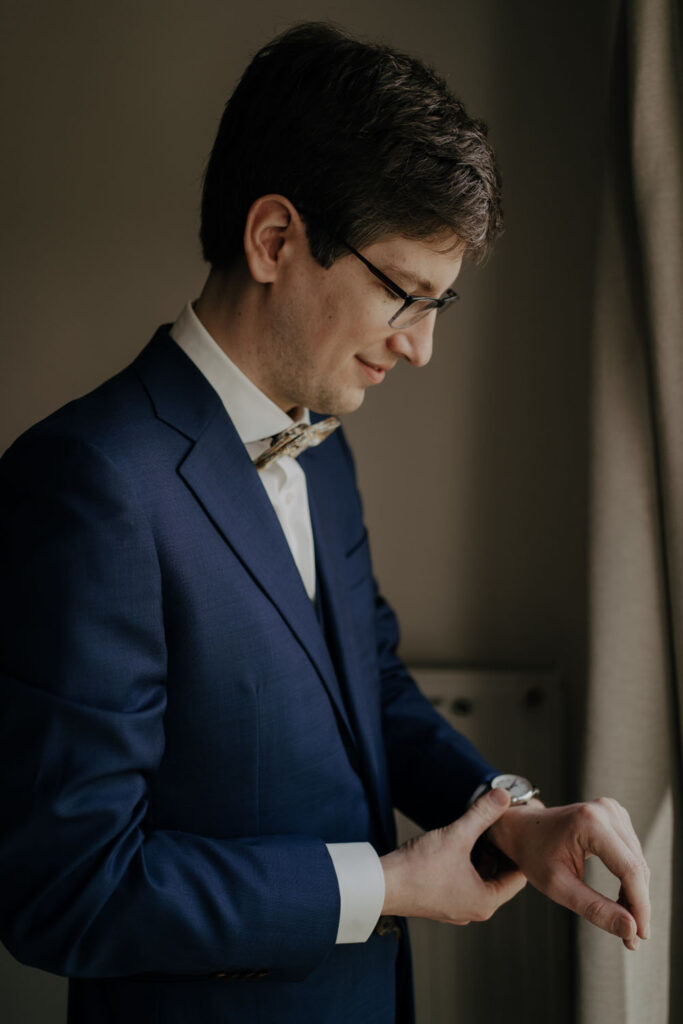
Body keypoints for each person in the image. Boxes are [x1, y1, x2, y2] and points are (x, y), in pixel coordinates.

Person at [0, 21, 650, 1024]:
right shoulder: (88, 482)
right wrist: (383, 887)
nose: (422, 347)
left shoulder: (325, 448)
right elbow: (67, 889)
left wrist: (508, 816)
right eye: (403, 294)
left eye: (442, 305)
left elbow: (371, 688)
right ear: (274, 240)